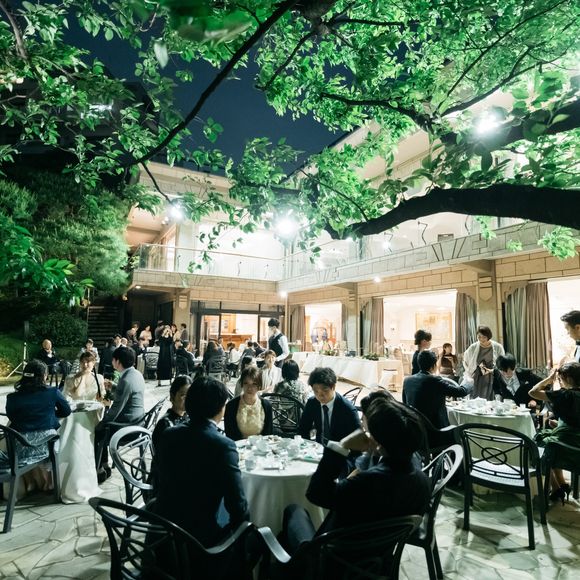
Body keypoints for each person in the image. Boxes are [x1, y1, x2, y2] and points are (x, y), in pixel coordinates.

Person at [280, 397, 430, 555]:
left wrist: (342, 446)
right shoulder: (423, 482)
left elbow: (316, 493)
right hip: (378, 558)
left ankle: (293, 565)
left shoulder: (366, 483)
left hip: (334, 558)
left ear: (378, 442)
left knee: (294, 511)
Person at [154, 376, 250, 547]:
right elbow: (238, 508)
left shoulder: (169, 435)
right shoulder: (223, 446)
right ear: (220, 409)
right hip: (199, 543)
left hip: (163, 536)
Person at [4, 360, 71, 493]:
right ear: (44, 376)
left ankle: (31, 483)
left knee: (16, 445)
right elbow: (66, 411)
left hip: (20, 445)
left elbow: (12, 417)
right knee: (55, 439)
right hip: (45, 444)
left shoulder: (12, 397)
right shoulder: (52, 392)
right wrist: (50, 414)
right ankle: (48, 483)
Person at [529, 362, 580, 503]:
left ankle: (556, 488)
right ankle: (562, 484)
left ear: (568, 379)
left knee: (536, 448)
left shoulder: (565, 394)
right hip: (576, 443)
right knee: (553, 440)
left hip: (567, 445)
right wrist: (560, 424)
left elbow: (532, 392)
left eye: (560, 379)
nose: (560, 382)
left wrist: (548, 379)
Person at [94, 347, 145, 482]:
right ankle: (104, 464)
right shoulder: (136, 374)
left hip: (128, 427)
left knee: (97, 431)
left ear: (117, 361)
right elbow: (129, 393)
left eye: (113, 359)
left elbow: (116, 409)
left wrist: (101, 423)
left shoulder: (126, 380)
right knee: (102, 426)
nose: (112, 361)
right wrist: (114, 386)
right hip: (139, 421)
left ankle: (100, 468)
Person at [59, 352, 105, 503]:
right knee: (74, 432)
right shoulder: (71, 378)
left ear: (94, 363)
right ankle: (69, 482)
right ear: (79, 362)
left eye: (89, 362)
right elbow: (70, 398)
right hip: (73, 415)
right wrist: (82, 378)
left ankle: (86, 481)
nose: (85, 365)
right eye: (83, 362)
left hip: (91, 415)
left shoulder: (99, 378)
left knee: (84, 438)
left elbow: (102, 398)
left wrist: (102, 401)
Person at [403, 350, 471, 429]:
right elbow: (460, 392)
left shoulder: (407, 380)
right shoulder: (435, 380)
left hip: (415, 427)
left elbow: (405, 403)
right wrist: (469, 382)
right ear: (433, 366)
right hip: (435, 428)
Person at [297, 367, 361, 444]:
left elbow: (358, 439)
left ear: (333, 387)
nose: (320, 395)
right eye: (316, 391)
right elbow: (303, 429)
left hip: (340, 448)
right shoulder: (312, 402)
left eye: (325, 390)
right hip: (319, 446)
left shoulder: (347, 409)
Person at [224, 367, 273, 441]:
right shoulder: (231, 405)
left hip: (260, 446)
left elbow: (268, 434)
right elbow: (229, 434)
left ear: (259, 386)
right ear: (242, 384)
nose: (249, 388)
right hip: (238, 446)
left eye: (254, 384)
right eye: (246, 383)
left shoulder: (266, 406)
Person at [463, 325, 505, 400]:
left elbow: (502, 363)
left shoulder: (497, 347)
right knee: (476, 397)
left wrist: (493, 370)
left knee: (491, 398)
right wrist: (471, 370)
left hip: (492, 375)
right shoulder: (473, 347)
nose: (481, 339)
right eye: (479, 337)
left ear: (489, 336)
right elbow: (466, 360)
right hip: (478, 376)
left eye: (484, 337)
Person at [152, 375, 191, 450]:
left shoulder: (188, 417)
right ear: (172, 396)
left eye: (190, 396)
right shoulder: (165, 424)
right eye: (183, 396)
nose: (188, 400)